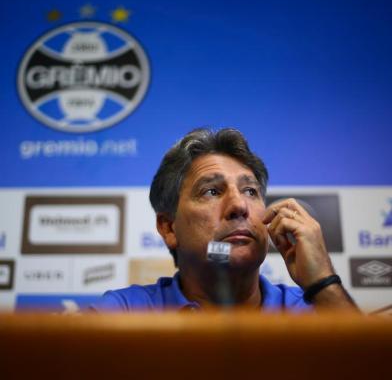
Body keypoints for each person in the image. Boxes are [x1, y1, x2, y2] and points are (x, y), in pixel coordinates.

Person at [92, 128, 356, 312]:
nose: (239, 206)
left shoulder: (317, 309)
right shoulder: (124, 312)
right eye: (212, 191)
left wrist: (323, 282)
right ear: (169, 227)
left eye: (250, 191)